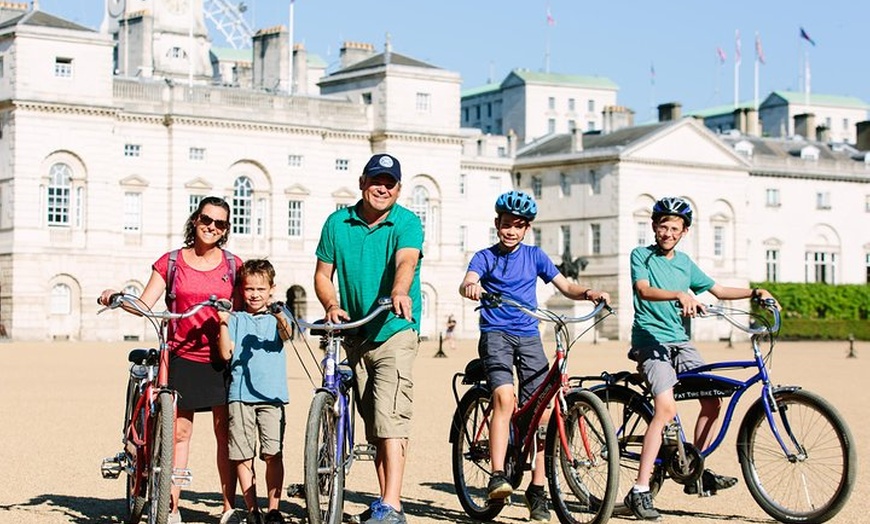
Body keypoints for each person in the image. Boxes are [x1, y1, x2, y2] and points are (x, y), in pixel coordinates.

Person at [623, 196, 779, 521]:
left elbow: (718, 290)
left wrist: (755, 293)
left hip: (681, 342)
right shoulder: (642, 255)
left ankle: (693, 469)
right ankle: (639, 489)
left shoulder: (684, 264)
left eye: (674, 228)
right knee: (666, 408)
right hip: (650, 341)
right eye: (662, 226)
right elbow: (643, 290)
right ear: (654, 227)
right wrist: (680, 295)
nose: (667, 233)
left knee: (712, 401)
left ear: (684, 231)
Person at [459, 190, 610, 524]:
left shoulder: (536, 256)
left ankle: (537, 489)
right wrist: (472, 286)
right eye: (505, 225)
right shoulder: (485, 257)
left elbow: (564, 286)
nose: (511, 231)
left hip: (529, 335)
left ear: (526, 229)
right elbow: (469, 280)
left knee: (542, 413)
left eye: (518, 226)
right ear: (496, 224)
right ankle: (498, 475)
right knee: (503, 397)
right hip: (496, 334)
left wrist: (588, 293)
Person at [99, 196, 241, 524]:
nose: (212, 227)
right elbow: (146, 303)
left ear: (225, 230)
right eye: (207, 219)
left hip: (221, 356)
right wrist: (119, 298)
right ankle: (172, 505)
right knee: (179, 433)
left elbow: (245, 309)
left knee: (225, 434)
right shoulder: (172, 262)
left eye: (220, 223)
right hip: (181, 354)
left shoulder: (234, 266)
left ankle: (228, 507)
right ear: (195, 219)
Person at [314, 153, 423, 524]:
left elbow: (406, 261)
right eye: (376, 180)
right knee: (374, 424)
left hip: (394, 328)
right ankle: (386, 503)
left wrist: (399, 292)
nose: (382, 188)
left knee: (390, 417)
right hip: (355, 332)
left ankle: (391, 505)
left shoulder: (406, 222)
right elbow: (322, 274)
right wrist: (331, 304)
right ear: (362, 182)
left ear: (398, 188)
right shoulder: (337, 222)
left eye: (390, 183)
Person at [218, 259, 292, 524]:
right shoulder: (237, 318)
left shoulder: (279, 314)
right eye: (249, 289)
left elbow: (288, 334)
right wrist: (223, 323)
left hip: (272, 396)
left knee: (273, 452)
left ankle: (274, 508)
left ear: (271, 289)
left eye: (261, 289)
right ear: (241, 289)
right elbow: (226, 353)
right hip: (240, 395)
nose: (254, 294)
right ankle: (252, 509)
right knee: (242, 454)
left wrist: (279, 314)